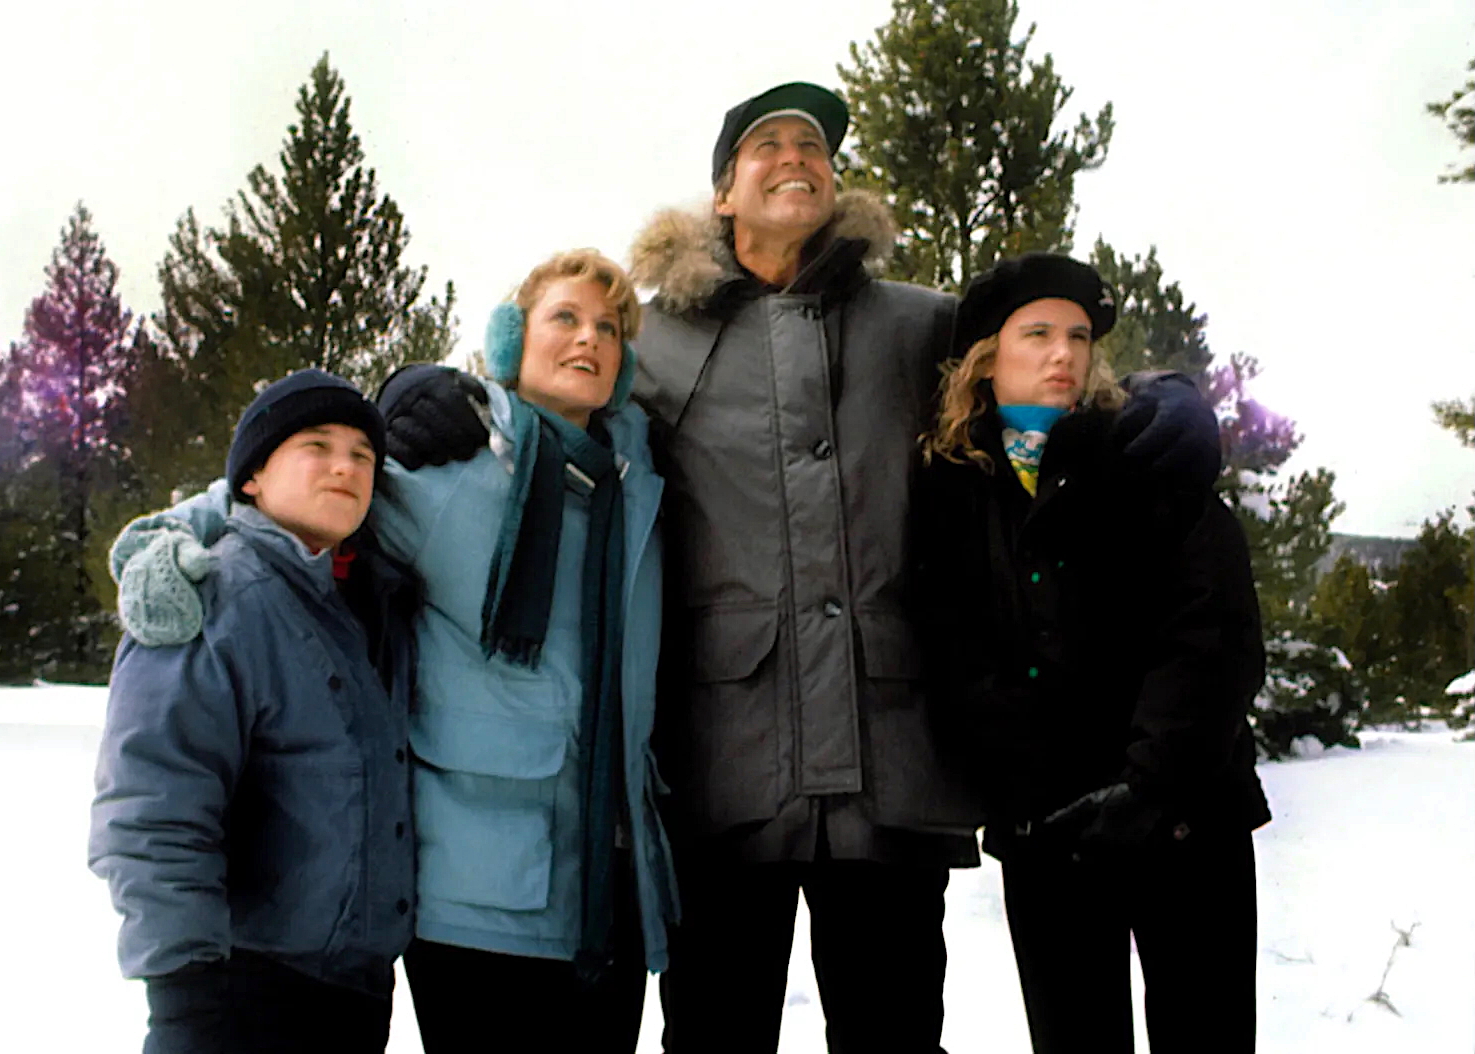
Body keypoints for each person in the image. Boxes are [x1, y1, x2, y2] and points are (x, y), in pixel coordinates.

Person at [378, 82, 1223, 1053]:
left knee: (895, 1029)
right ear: (723, 191)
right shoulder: (652, 339)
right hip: (722, 771)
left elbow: (1038, 353)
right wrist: (420, 386)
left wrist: (1166, 397)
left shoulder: (919, 324)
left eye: (814, 145)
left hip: (888, 761)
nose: (795, 157)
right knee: (718, 1031)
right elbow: (539, 400)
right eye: (767, 144)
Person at [110, 249, 678, 1053]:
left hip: (611, 892)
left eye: (609, 327)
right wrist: (169, 539)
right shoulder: (450, 473)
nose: (588, 338)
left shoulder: (641, 490)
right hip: (480, 889)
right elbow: (289, 486)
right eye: (565, 317)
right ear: (512, 337)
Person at [914, 253, 1271, 1054]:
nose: (1062, 354)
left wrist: (1148, 784)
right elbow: (953, 653)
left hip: (1184, 820)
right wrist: (1022, 791)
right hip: (1049, 836)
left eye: (1076, 336)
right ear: (984, 356)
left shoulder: (1145, 454)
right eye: (1035, 334)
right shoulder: (949, 485)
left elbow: (1213, 636)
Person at [89, 369, 419, 1054]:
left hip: (349, 994)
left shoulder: (360, 602)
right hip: (240, 993)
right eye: (316, 445)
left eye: (362, 454)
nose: (344, 466)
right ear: (251, 478)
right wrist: (185, 996)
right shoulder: (209, 594)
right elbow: (153, 808)